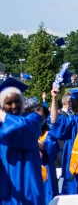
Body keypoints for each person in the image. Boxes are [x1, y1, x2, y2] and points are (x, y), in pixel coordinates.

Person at [0, 77, 46, 205]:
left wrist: (3, 115)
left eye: (17, 101)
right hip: (6, 183)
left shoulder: (33, 119)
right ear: (2, 105)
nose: (14, 106)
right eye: (9, 103)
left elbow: (19, 127)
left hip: (29, 183)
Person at [32, 104, 59, 204]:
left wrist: (32, 141)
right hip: (31, 169)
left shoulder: (49, 133)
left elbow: (50, 147)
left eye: (41, 117)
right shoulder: (26, 131)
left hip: (46, 171)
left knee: (47, 198)